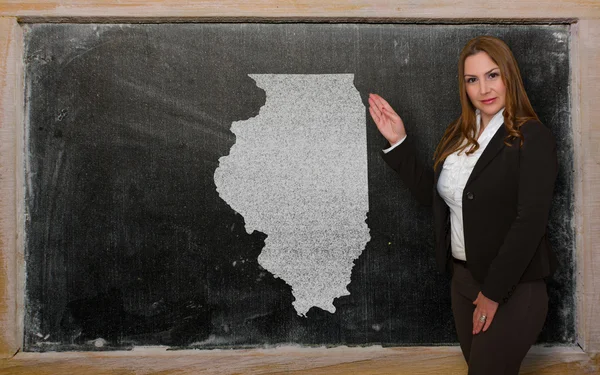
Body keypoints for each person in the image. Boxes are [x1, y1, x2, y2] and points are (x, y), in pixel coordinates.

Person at [368, 35, 558, 374]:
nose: (483, 88)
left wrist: (492, 293)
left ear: (509, 77)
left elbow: (529, 222)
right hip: (463, 283)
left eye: (492, 75)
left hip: (511, 288)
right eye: (472, 79)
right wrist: (398, 141)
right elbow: (438, 199)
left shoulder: (533, 137)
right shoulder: (459, 137)